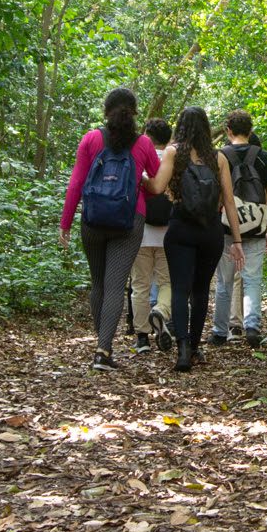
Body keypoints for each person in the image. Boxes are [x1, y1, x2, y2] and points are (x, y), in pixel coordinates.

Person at [60, 88, 166, 372]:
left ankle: (102, 343)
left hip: (92, 220)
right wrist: (140, 181)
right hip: (129, 222)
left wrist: (66, 223)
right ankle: (103, 350)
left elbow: (76, 184)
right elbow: (157, 185)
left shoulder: (91, 139)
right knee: (116, 285)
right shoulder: (143, 144)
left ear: (106, 112)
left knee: (99, 283)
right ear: (134, 113)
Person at [148, 106, 244, 372]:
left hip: (180, 229)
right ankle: (195, 346)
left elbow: (156, 187)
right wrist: (237, 241)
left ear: (180, 126)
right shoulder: (219, 158)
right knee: (201, 291)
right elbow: (229, 201)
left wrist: (143, 179)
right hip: (210, 231)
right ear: (206, 127)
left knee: (180, 289)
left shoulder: (172, 153)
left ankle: (182, 350)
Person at [210, 111, 267, 348]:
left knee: (224, 281)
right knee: (252, 279)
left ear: (228, 130)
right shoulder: (264, 158)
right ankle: (252, 326)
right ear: (250, 130)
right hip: (257, 225)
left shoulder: (220, 157)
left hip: (228, 227)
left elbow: (216, 195)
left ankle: (219, 331)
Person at [129, 117, 174, 353]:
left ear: (146, 135)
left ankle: (143, 337)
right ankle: (161, 311)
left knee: (140, 285)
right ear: (169, 138)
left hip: (140, 231)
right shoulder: (172, 160)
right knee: (167, 282)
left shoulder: (139, 158)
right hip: (168, 233)